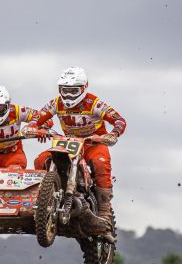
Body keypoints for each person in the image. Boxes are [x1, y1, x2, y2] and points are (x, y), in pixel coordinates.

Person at [23, 67, 126, 228]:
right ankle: (45, 200)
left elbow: (119, 120)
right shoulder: (56, 103)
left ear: (84, 88)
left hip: (93, 143)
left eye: (73, 91)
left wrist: (113, 134)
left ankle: (104, 211)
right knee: (41, 160)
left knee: (100, 163)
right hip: (68, 143)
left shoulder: (94, 103)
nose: (68, 95)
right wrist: (33, 128)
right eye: (65, 90)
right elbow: (37, 119)